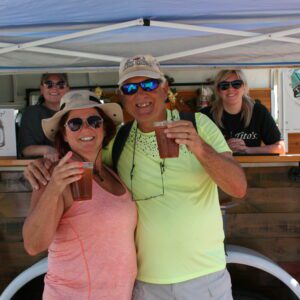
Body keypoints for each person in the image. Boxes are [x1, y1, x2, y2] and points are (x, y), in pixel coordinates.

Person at [24, 55, 247, 300]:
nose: (140, 94)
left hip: (203, 278)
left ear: (164, 88)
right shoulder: (118, 140)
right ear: (122, 96)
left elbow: (238, 187)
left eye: (149, 85)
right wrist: (45, 167)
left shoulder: (197, 124)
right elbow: (84, 155)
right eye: (130, 88)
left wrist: (200, 148)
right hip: (145, 285)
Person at [22, 90, 137, 300]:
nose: (86, 128)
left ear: (105, 128)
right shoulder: (54, 175)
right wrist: (54, 187)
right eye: (75, 123)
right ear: (64, 134)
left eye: (94, 121)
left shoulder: (111, 172)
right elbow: (33, 244)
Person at [201, 69, 285, 154]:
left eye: (236, 84)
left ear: (244, 87)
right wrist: (224, 149)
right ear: (218, 90)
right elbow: (193, 149)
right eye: (224, 85)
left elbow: (280, 147)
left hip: (250, 166)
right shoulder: (205, 115)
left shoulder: (259, 112)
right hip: (216, 167)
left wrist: (247, 150)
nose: (230, 89)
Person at [18, 73, 70, 161]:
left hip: (73, 164)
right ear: (41, 89)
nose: (54, 88)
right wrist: (47, 150)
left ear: (68, 89)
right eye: (49, 84)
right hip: (40, 168)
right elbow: (26, 150)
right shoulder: (31, 113)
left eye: (60, 84)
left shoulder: (74, 111)